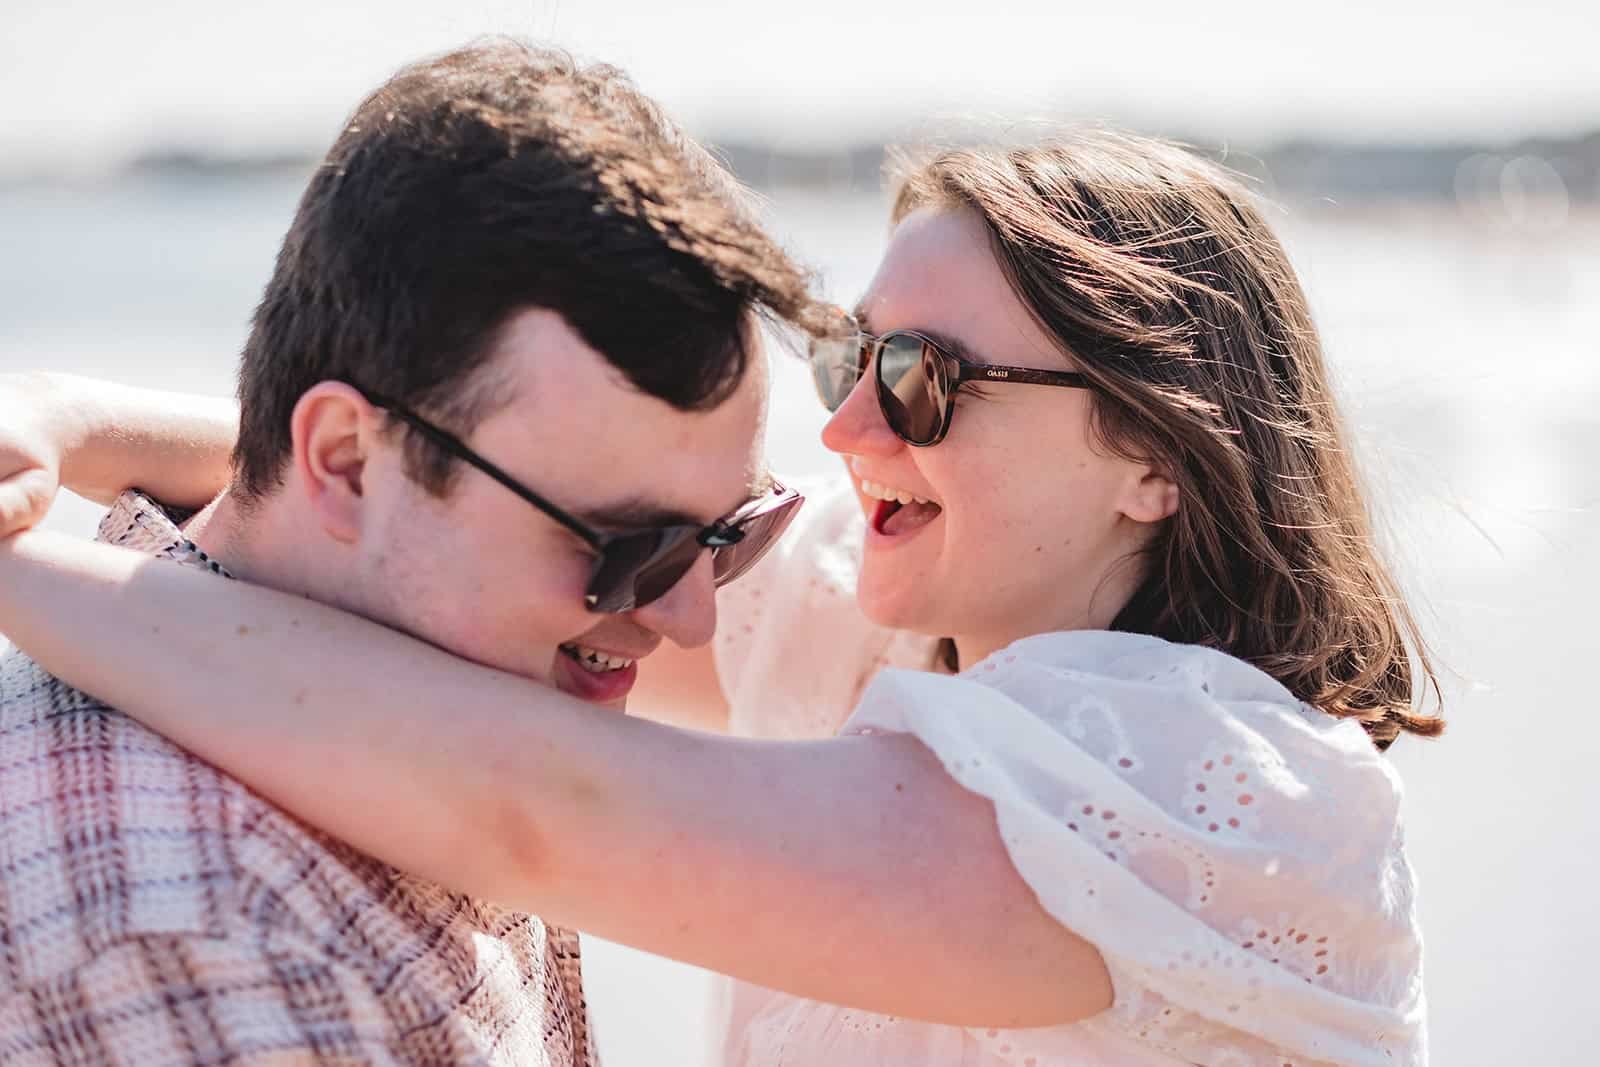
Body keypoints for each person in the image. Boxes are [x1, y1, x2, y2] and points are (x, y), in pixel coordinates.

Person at [0, 130, 1443, 1066]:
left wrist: (22, 570)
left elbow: (541, 808)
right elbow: (453, 484)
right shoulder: (882, 617)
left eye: (921, 383)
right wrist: (63, 420)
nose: (848, 434)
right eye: (849, 362)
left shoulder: (1239, 798)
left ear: (1153, 452)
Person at [0, 38, 828, 1066]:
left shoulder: (447, 667)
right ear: (346, 462)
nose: (691, 615)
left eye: (732, 531)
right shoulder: (201, 922)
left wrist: (76, 413)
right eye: (630, 545)